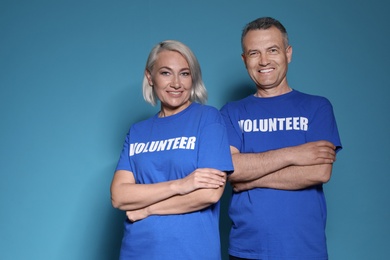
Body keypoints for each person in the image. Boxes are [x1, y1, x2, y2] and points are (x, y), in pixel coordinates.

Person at [220, 17, 342, 260]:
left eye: (272, 50)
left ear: (288, 53)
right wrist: (294, 154)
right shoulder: (231, 112)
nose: (264, 61)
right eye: (254, 53)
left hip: (304, 249)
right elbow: (233, 171)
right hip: (247, 249)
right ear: (245, 60)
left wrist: (252, 179)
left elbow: (319, 172)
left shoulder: (317, 107)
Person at [110, 40, 233, 260]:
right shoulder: (137, 131)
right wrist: (181, 184)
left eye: (184, 74)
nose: (176, 83)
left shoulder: (208, 119)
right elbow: (119, 196)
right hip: (136, 250)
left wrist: (148, 209)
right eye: (166, 73)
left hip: (191, 251)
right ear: (150, 77)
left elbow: (209, 193)